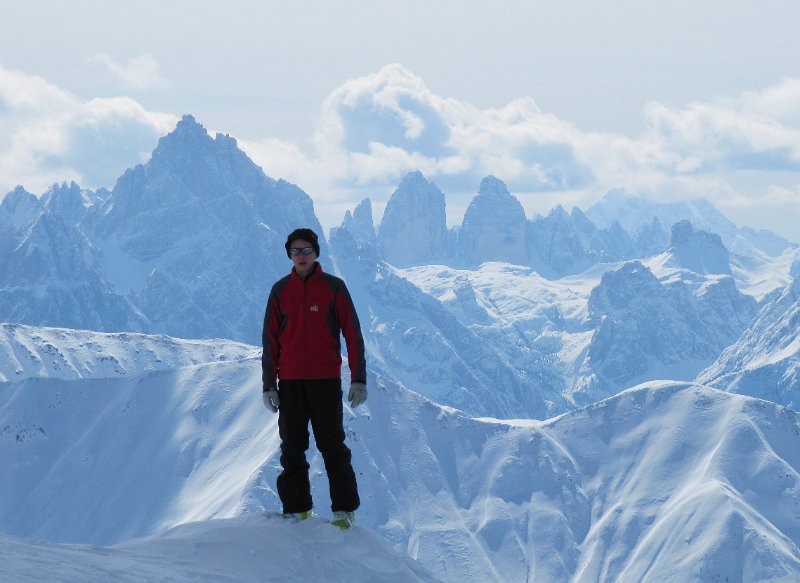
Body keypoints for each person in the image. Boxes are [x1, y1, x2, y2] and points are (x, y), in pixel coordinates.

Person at [261, 227, 367, 529]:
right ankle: (297, 510)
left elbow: (353, 335)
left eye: (306, 249)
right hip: (291, 383)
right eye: (295, 251)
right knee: (292, 447)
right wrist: (269, 384)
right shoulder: (280, 291)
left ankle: (344, 512)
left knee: (332, 445)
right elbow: (270, 340)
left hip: (325, 381)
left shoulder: (334, 288)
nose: (301, 256)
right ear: (289, 255)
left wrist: (358, 378)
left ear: (316, 252)